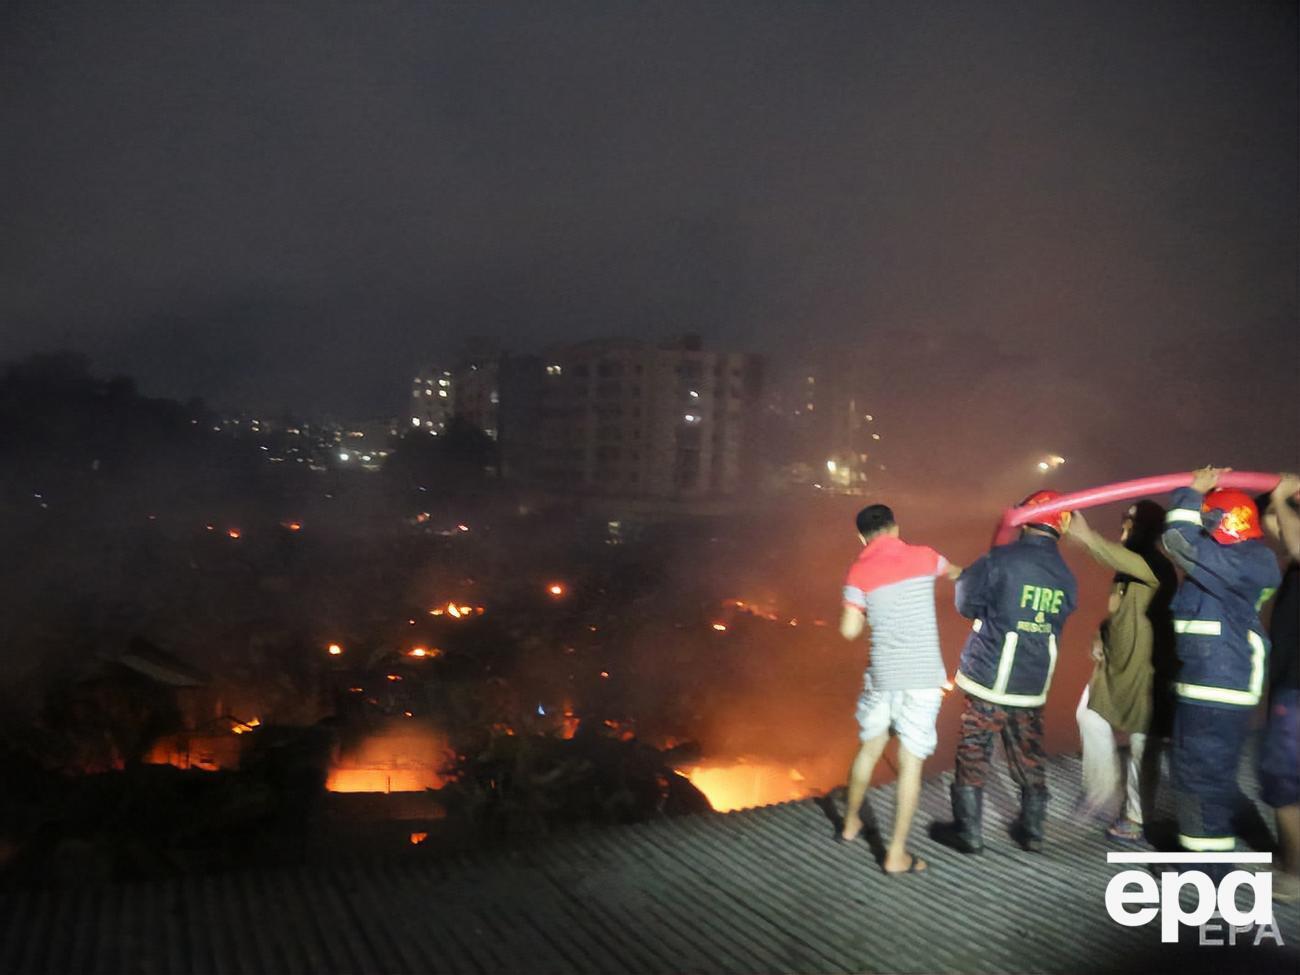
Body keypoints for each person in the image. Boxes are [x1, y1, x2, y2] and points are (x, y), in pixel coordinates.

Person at [938, 490, 1077, 854]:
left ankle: (968, 832)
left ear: (1025, 518)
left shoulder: (1001, 559)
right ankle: (1032, 830)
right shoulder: (1067, 575)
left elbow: (966, 602)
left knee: (974, 748)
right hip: (1032, 681)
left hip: (989, 678)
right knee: (1028, 751)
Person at [1161, 467, 1281, 866]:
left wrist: (1190, 494)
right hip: (1210, 684)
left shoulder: (1247, 560)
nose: (1202, 527)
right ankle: (1255, 836)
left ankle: (1206, 872)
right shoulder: (1233, 561)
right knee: (1211, 774)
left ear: (1223, 522)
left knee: (1199, 780)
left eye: (1207, 519)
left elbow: (1177, 541)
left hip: (1217, 688)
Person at [838, 503, 962, 875]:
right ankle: (895, 855)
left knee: (870, 746)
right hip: (923, 677)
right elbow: (957, 574)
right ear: (895, 528)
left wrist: (862, 613)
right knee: (910, 763)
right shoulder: (925, 556)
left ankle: (849, 824)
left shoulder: (859, 570)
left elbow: (848, 631)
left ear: (861, 537)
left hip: (883, 674)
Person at [1067, 502, 1176, 840]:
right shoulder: (1124, 571)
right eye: (1124, 520)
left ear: (1148, 528)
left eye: (1131, 521)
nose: (1125, 527)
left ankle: (1136, 817)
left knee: (1144, 745)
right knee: (1089, 715)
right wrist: (1101, 635)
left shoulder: (1156, 565)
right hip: (1115, 668)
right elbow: (1116, 615)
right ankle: (1101, 792)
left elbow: (1113, 555)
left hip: (1148, 672)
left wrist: (1086, 537)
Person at [1257, 474, 1300, 902]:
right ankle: (1291, 856)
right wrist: (1277, 503)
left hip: (1298, 689)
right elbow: (1280, 530)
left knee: (1284, 780)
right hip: (1291, 683)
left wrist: (1282, 498)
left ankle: (1296, 873)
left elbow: (1296, 539)